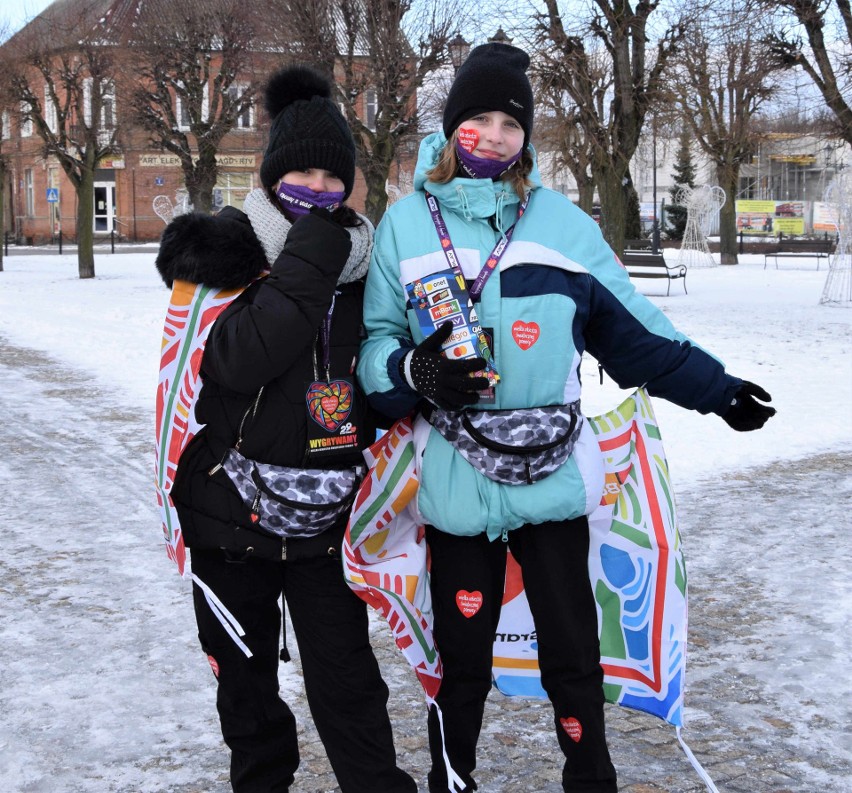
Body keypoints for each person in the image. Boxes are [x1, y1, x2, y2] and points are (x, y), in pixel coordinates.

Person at [356, 43, 776, 793]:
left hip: (551, 474)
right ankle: (455, 781)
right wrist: (414, 370)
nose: (494, 134)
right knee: (463, 660)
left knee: (573, 653)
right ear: (451, 128)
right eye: (477, 119)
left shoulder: (563, 226)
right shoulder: (406, 225)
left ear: (528, 136)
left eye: (510, 122)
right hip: (455, 477)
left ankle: (590, 778)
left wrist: (717, 388)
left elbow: (636, 333)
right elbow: (375, 345)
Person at [155, 65, 416, 793]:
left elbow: (380, 386)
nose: (320, 189)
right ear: (271, 175)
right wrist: (314, 251)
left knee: (350, 686)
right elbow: (242, 358)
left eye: (335, 176)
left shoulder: (371, 268)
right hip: (228, 517)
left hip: (330, 521)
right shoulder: (221, 251)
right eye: (302, 170)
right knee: (248, 695)